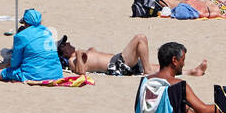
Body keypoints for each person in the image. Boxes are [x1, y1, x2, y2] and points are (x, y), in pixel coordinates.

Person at [58, 33, 208, 77]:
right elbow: (81, 71)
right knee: (140, 38)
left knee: (157, 67)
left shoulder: (80, 53)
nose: (69, 43)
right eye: (65, 44)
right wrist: (78, 54)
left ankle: (192, 72)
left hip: (117, 60)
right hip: (115, 66)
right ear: (63, 52)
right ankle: (147, 70)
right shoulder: (73, 60)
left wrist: (90, 51)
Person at [0, 9, 61, 82]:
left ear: (25, 23)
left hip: (36, 74)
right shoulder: (48, 32)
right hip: (56, 72)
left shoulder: (21, 36)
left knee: (7, 72)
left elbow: (15, 63)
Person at [144, 42, 219, 113]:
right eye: (182, 60)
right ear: (174, 60)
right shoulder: (178, 86)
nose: (183, 64)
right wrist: (225, 109)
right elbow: (205, 111)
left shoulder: (146, 81)